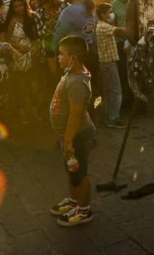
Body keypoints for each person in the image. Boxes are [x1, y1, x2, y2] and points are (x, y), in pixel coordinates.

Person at [49, 36, 96, 227]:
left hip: (77, 136)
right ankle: (74, 200)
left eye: (61, 54)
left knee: (80, 173)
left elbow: (75, 116)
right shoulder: (71, 73)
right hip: (67, 136)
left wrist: (68, 141)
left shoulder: (78, 82)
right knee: (71, 170)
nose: (58, 57)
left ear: (73, 58)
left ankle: (84, 210)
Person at [4, 0, 42, 124]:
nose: (19, 8)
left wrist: (35, 48)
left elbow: (38, 36)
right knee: (20, 87)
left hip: (33, 56)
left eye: (21, 5)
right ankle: (23, 115)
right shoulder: (12, 20)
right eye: (15, 6)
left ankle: (35, 113)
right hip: (17, 56)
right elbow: (6, 39)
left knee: (34, 87)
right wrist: (19, 46)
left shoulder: (32, 17)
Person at [94, 3, 127, 128]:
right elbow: (120, 31)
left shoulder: (101, 25)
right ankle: (113, 118)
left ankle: (109, 116)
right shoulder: (103, 26)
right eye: (109, 12)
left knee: (108, 92)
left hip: (105, 63)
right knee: (115, 92)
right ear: (102, 14)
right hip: (108, 64)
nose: (111, 14)